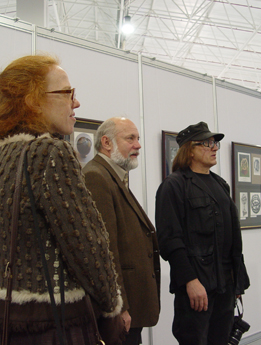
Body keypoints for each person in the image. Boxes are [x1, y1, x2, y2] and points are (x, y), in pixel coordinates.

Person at [0, 55, 124, 344]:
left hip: (9, 325)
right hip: (56, 326)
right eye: (68, 93)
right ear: (33, 100)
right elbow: (89, 249)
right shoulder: (49, 153)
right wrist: (112, 308)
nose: (76, 103)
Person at [155, 121, 250, 345]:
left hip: (225, 286)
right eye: (207, 143)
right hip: (197, 289)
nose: (215, 147)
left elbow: (231, 240)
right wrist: (190, 280)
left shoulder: (221, 184)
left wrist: (237, 282)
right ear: (190, 149)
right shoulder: (174, 186)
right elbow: (169, 240)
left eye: (215, 143)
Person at [83, 117, 160, 345]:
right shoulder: (96, 176)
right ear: (106, 143)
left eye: (138, 139)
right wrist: (119, 307)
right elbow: (105, 251)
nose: (138, 145)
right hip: (121, 309)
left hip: (133, 304)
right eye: (130, 139)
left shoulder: (113, 175)